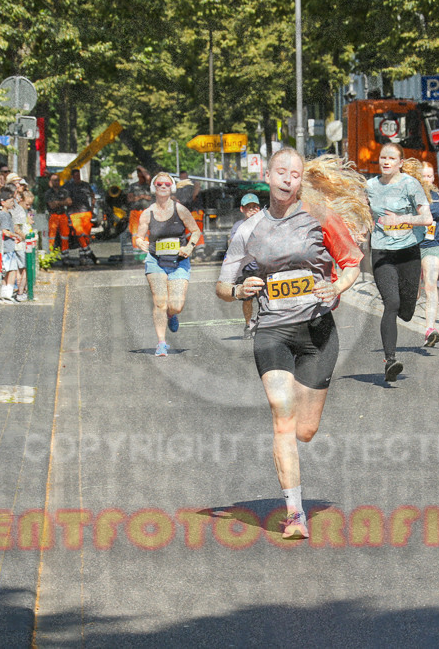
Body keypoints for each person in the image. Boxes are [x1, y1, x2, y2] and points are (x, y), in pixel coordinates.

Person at [216, 149, 370, 539]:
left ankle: (297, 493)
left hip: (317, 331)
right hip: (272, 330)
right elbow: (222, 285)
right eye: (281, 172)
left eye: (295, 174)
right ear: (267, 176)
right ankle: (295, 514)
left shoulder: (319, 217)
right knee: (282, 417)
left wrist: (334, 285)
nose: (287, 179)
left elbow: (352, 262)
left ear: (302, 180)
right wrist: (238, 290)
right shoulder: (247, 231)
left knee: (305, 430)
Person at [366, 143, 434, 381]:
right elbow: (363, 215)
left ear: (400, 162)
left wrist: (399, 219)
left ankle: (407, 307)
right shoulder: (370, 186)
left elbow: (427, 218)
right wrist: (358, 230)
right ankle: (390, 361)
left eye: (391, 158)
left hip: (408, 252)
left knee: (406, 310)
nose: (386, 162)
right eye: (382, 157)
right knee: (391, 303)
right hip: (382, 253)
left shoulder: (410, 184)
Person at [134, 172, 202, 356]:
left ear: (171, 187)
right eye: (159, 184)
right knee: (160, 302)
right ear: (153, 188)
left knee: (176, 305)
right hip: (155, 260)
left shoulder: (180, 209)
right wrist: (141, 243)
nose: (162, 187)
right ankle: (161, 343)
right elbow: (138, 237)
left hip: (179, 261)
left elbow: (195, 231)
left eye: (166, 184)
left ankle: (172, 314)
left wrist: (189, 247)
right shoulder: (147, 213)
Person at [402, 158, 439, 347]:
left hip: (430, 245)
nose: (428, 179)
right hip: (410, 246)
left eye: (430, 175)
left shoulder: (438, 196)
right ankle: (408, 302)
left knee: (431, 285)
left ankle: (430, 330)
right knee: (413, 289)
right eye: (424, 176)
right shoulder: (408, 194)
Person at [228, 193, 262, 340]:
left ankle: (263, 325)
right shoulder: (238, 226)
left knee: (265, 299)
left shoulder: (266, 223)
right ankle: (248, 325)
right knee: (247, 299)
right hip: (247, 269)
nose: (252, 210)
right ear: (242, 209)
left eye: (255, 207)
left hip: (263, 267)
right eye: (249, 208)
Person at [0, 188, 24, 304]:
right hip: (6, 247)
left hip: (7, 246)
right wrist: (15, 236)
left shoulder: (4, 214)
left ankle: (3, 294)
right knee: (11, 270)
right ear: (3, 202)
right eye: (11, 201)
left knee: (7, 272)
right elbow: (4, 231)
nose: (13, 203)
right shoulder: (4, 215)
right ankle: (7, 294)